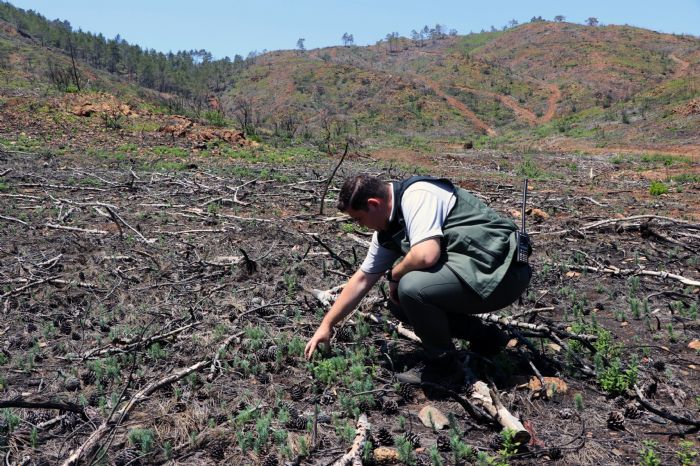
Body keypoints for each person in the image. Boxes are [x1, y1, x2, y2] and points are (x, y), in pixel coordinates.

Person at [304, 174, 532, 384]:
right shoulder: (386, 229)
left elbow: (425, 255)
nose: (360, 226)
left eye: (359, 219)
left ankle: (444, 367)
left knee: (411, 288)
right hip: (480, 274)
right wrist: (327, 324)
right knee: (399, 303)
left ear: (374, 204)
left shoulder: (417, 196)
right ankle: (488, 338)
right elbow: (362, 279)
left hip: (503, 275)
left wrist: (394, 274)